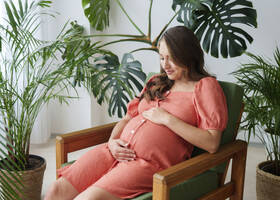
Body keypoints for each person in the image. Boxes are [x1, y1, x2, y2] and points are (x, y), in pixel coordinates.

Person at [45, 26, 228, 200]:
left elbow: (211, 142)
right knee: (56, 190)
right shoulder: (156, 81)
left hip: (148, 165)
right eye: (162, 58)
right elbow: (127, 118)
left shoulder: (204, 87)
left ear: (188, 55)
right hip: (114, 151)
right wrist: (112, 141)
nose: (166, 65)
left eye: (171, 58)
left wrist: (167, 119)